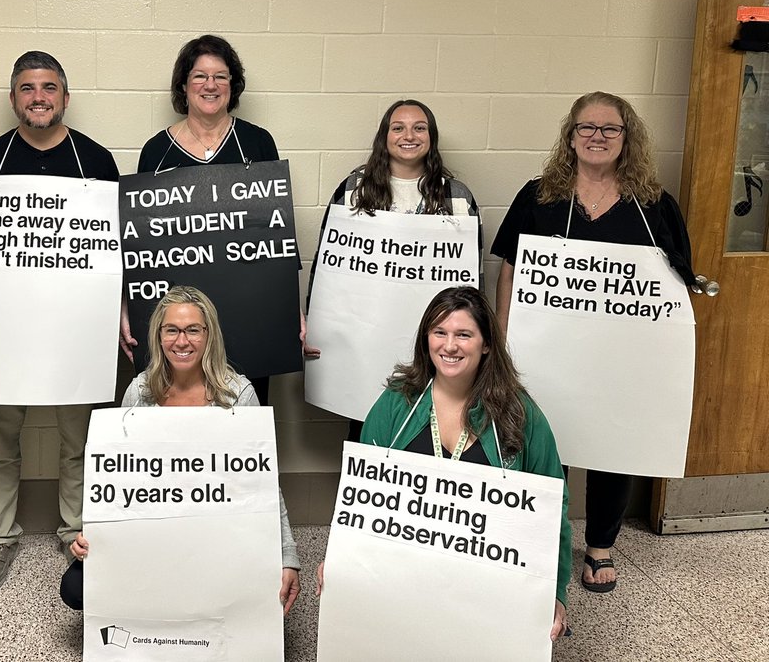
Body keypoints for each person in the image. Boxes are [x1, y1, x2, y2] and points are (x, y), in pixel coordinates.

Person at [491, 91, 693, 594]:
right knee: (542, 441)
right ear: (571, 136)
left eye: (610, 129)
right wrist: (504, 331)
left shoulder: (653, 206)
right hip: (548, 353)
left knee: (613, 446)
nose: (597, 137)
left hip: (621, 359)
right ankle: (542, 537)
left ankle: (600, 545)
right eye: (587, 128)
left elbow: (677, 282)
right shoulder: (539, 196)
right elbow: (511, 268)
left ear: (628, 139)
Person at [317, 286, 571, 642]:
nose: (449, 346)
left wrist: (554, 591)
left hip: (489, 580)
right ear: (426, 339)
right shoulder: (396, 403)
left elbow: (551, 506)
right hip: (407, 572)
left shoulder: (519, 413)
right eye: (440, 333)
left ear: (486, 344)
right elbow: (360, 494)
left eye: (463, 334)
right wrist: (342, 556)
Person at [0, 51, 119, 597]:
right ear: (13, 99)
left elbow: (116, 250)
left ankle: (78, 534)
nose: (38, 97)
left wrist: (119, 313)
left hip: (77, 327)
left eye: (49, 87)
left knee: (81, 440)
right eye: (27, 88)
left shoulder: (96, 161)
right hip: (4, 329)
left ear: (65, 97)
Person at [62, 285, 301, 616]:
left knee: (260, 586)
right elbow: (116, 477)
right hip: (154, 528)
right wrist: (93, 531)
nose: (182, 341)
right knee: (75, 589)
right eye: (171, 330)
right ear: (159, 336)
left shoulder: (239, 395)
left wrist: (287, 555)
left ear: (209, 335)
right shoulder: (140, 393)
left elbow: (264, 483)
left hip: (218, 533)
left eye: (193, 330)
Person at [126, 34, 312, 405]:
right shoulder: (156, 150)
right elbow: (140, 243)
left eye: (220, 77)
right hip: (179, 319)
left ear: (232, 85)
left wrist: (294, 311)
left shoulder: (256, 143)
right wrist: (127, 312)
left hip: (250, 313)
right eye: (199, 76)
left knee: (243, 412)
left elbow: (276, 233)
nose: (210, 85)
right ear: (184, 84)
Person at [308, 99, 481, 439]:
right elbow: (327, 266)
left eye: (419, 128)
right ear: (384, 136)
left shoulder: (456, 196)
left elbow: (472, 277)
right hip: (363, 342)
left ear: (431, 137)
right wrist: (313, 324)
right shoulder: (354, 190)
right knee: (367, 432)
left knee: (426, 433)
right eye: (398, 127)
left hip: (432, 342)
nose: (409, 135)